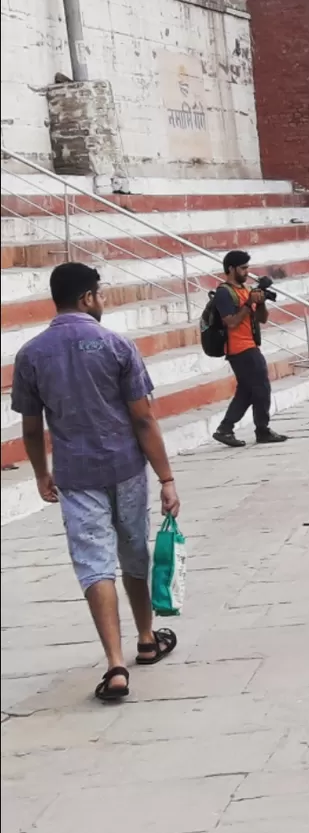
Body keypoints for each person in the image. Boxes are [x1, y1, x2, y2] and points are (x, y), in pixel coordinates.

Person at [11, 263, 182, 702]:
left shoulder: (31, 354)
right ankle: (146, 638)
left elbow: (31, 428)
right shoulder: (117, 345)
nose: (102, 300)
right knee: (132, 551)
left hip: (74, 473)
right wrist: (166, 478)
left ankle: (115, 665)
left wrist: (40, 473)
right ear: (87, 297)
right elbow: (143, 418)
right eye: (100, 294)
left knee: (94, 564)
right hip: (124, 466)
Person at [210, 250, 286, 448]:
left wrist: (259, 303)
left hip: (250, 344)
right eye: (243, 268)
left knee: (246, 391)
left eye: (247, 268)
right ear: (231, 269)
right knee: (261, 388)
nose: (246, 272)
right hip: (239, 348)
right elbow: (231, 322)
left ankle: (225, 429)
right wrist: (248, 303)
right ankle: (262, 430)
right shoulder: (224, 293)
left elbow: (262, 319)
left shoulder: (245, 290)